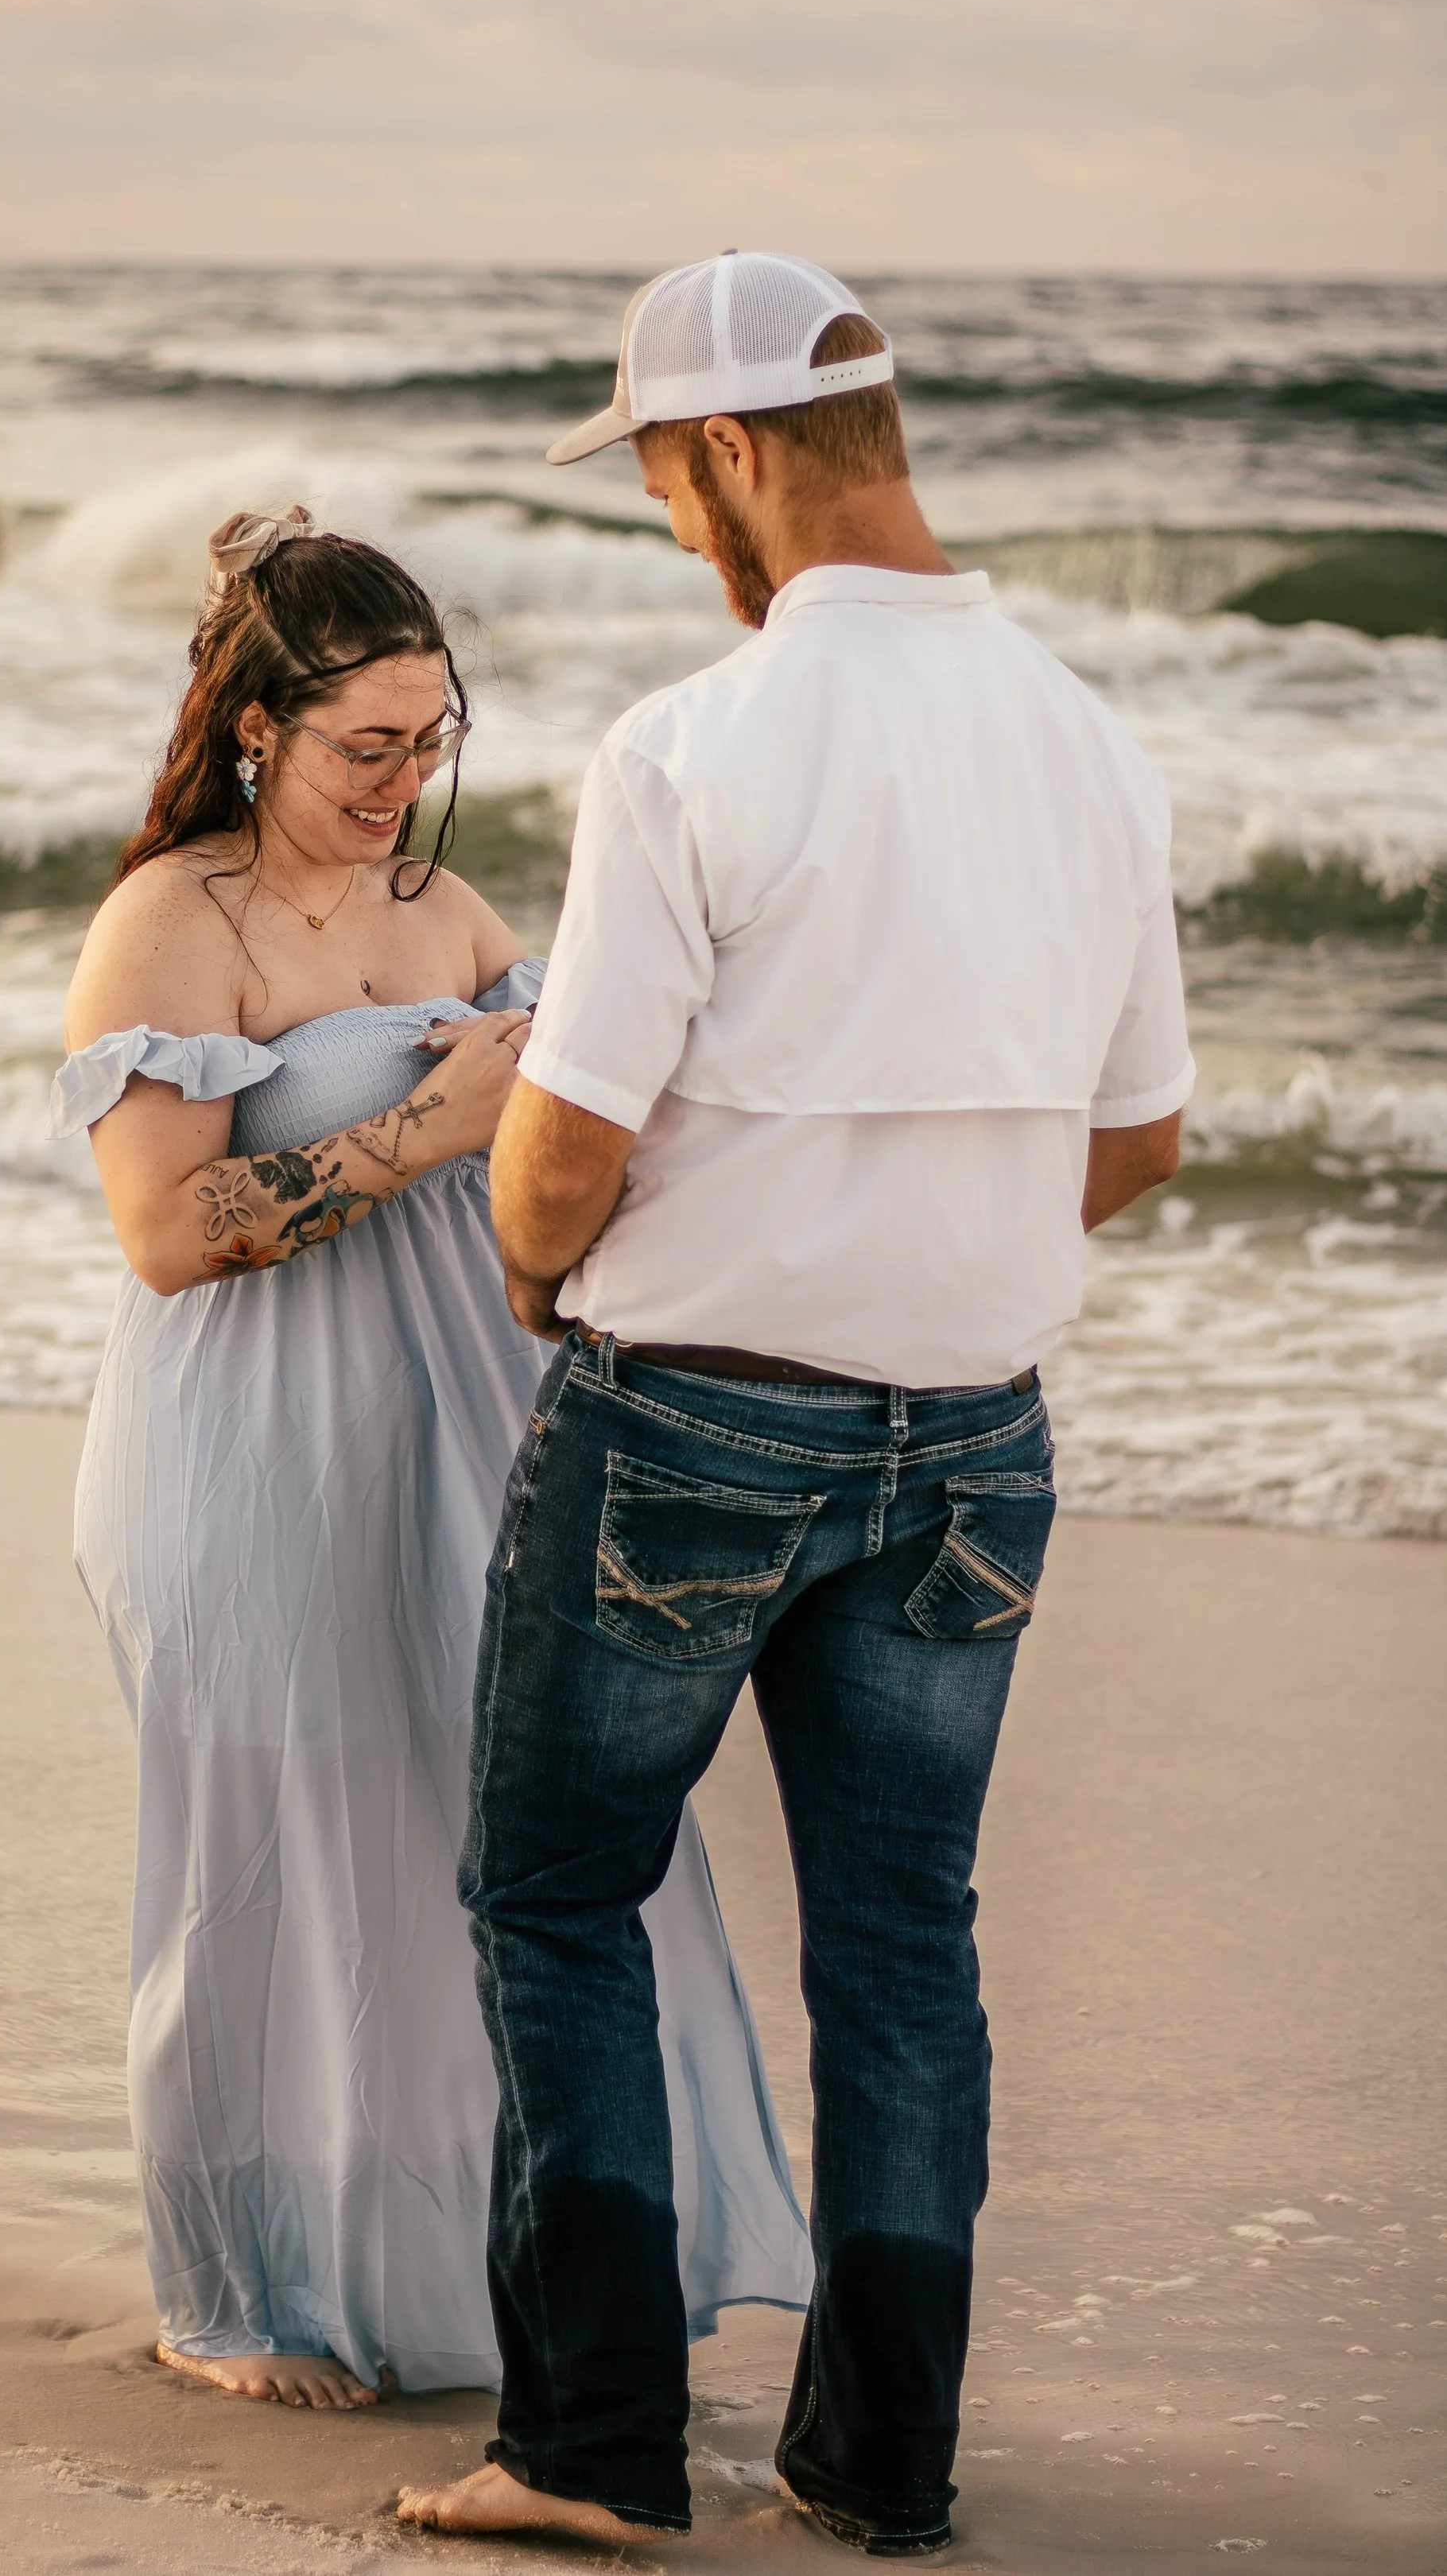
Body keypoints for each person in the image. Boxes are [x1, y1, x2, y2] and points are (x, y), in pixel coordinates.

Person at [398, 255, 1193, 2553]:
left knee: (552, 1894)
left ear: (733, 453)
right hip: (971, 1429)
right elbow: (1132, 1134)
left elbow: (564, 1135)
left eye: (661, 474)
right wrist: (940, 1254)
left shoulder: (692, 744)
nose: (666, 522)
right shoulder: (1086, 733)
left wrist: (542, 1269)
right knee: (902, 1942)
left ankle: (592, 2447)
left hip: (695, 1420)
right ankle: (882, 2460)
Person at [54, 506, 812, 2411]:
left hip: (455, 1434)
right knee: (256, 1847)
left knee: (457, 1847)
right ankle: (231, 2292)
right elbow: (163, 1226)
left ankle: (464, 2274)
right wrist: (429, 1124)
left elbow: (568, 1144)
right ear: (255, 731)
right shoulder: (172, 922)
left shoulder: (446, 915)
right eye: (362, 749)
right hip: (240, 1448)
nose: (402, 785)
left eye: (428, 741)